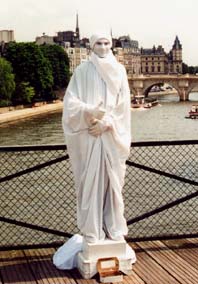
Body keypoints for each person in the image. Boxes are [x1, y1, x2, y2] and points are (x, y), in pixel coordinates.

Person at [62, 32, 131, 244]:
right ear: (92, 46)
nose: (102, 47)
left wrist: (107, 122)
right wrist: (90, 111)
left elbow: (124, 104)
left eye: (106, 43)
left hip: (110, 134)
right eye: (98, 43)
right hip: (90, 134)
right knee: (91, 183)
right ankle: (93, 229)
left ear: (111, 45)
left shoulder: (120, 70)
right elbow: (70, 102)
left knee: (113, 184)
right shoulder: (82, 70)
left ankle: (113, 226)